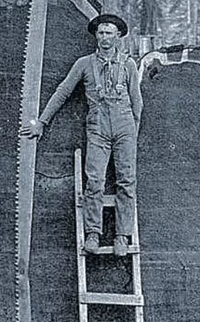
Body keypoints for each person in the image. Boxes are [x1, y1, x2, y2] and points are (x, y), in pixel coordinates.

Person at [20, 13, 142, 257]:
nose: (104, 37)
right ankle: (93, 233)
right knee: (94, 181)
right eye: (101, 32)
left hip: (125, 126)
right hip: (97, 128)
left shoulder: (128, 65)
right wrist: (42, 122)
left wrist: (132, 134)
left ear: (118, 36)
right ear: (96, 36)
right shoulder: (84, 64)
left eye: (109, 32)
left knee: (126, 181)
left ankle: (121, 235)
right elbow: (63, 91)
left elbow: (137, 103)